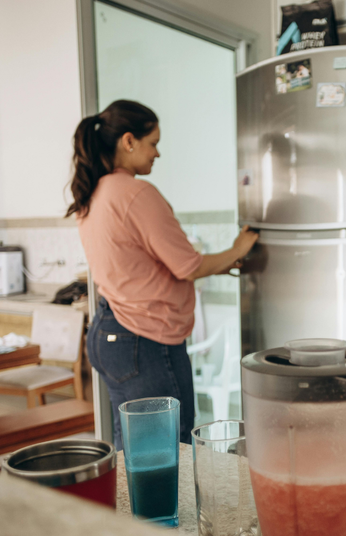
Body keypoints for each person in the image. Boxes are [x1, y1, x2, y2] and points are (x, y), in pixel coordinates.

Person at [68, 100, 258, 447]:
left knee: (135, 450)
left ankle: (127, 505)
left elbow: (142, 264)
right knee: (169, 451)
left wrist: (225, 261)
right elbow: (188, 266)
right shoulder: (136, 193)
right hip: (145, 341)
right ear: (129, 141)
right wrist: (238, 248)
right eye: (153, 143)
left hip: (110, 331)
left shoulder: (93, 192)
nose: (157, 153)